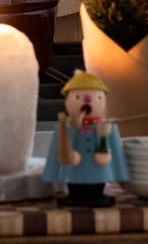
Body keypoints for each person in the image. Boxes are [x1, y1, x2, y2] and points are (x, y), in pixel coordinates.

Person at [43, 70, 129, 207]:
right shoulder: (65, 128)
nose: (88, 101)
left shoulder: (106, 127)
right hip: (73, 172)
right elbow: (56, 153)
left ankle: (97, 193)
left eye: (98, 98)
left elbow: (117, 154)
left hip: (99, 172)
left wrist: (106, 146)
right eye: (77, 97)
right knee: (73, 181)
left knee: (97, 183)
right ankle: (74, 193)